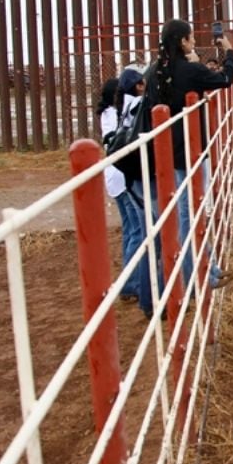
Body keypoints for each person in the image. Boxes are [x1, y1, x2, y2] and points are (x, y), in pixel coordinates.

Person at [136, 19, 233, 315]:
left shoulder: (155, 72)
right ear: (182, 41)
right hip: (190, 153)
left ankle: (205, 268)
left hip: (166, 154)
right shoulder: (188, 71)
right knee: (189, 216)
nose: (194, 41)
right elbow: (225, 79)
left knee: (185, 214)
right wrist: (229, 50)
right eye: (191, 37)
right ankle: (196, 276)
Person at [98, 68, 152, 308]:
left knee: (132, 230)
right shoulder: (117, 112)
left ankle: (130, 283)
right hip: (122, 177)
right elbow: (112, 141)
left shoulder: (113, 112)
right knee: (138, 231)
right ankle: (132, 284)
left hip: (116, 177)